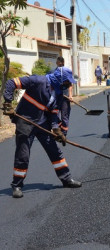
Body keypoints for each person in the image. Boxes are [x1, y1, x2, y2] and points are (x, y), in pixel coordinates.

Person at [2, 67, 82, 198]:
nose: (68, 85)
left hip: (42, 123)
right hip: (25, 122)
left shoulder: (59, 94)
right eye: (67, 82)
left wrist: (56, 129)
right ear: (59, 79)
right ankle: (16, 185)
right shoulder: (37, 81)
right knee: (23, 155)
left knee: (55, 151)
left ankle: (66, 179)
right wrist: (8, 102)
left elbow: (54, 113)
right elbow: (12, 83)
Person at [52, 57, 72, 136]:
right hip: (56, 97)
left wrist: (70, 95)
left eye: (62, 64)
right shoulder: (53, 72)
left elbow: (70, 85)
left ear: (63, 63)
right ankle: (59, 127)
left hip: (65, 98)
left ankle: (64, 133)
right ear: (57, 63)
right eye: (59, 64)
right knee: (54, 114)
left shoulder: (66, 72)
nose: (60, 65)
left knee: (65, 115)